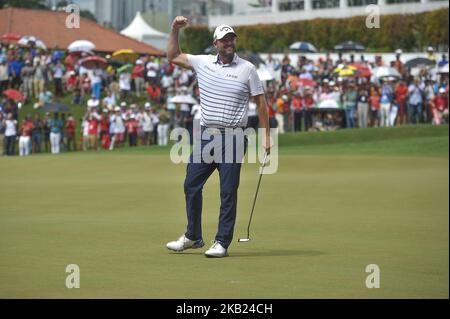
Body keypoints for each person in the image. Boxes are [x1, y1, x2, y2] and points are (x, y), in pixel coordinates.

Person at [165, 17, 270, 258]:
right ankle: (193, 236)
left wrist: (266, 135)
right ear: (216, 43)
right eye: (224, 40)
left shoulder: (247, 69)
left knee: (228, 191)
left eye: (231, 38)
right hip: (206, 136)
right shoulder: (202, 63)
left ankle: (222, 241)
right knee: (191, 184)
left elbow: (261, 104)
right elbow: (172, 55)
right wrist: (174, 29)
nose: (229, 43)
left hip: (234, 137)